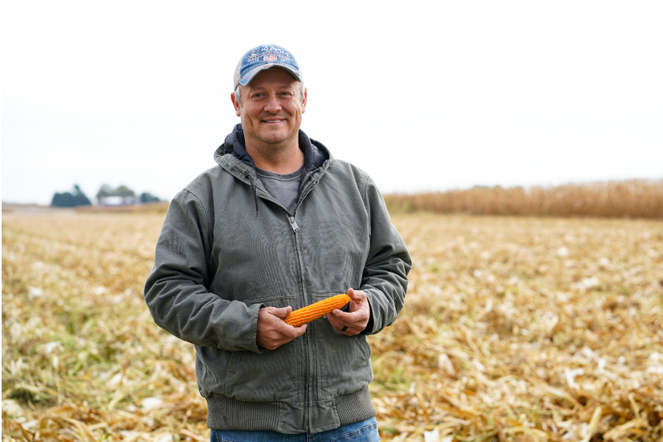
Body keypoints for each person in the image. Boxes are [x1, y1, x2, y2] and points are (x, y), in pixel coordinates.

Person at [144, 44, 412, 441]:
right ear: (236, 103)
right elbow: (167, 292)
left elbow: (391, 267)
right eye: (258, 94)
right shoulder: (201, 198)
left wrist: (372, 307)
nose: (273, 105)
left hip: (348, 422)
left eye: (284, 92)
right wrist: (246, 326)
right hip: (248, 428)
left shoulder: (356, 186)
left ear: (304, 99)